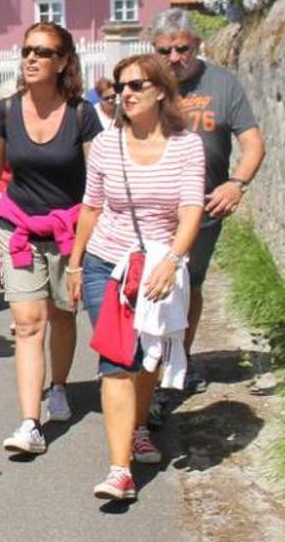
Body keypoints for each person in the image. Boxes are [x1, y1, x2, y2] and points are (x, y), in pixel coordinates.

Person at [67, 54, 205, 500]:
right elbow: (91, 206)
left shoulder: (186, 145)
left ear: (161, 90)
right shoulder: (109, 144)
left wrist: (174, 260)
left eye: (135, 85)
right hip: (106, 263)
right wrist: (75, 262)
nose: (125, 94)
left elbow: (190, 209)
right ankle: (119, 470)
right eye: (119, 88)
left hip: (158, 264)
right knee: (116, 361)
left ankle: (139, 425)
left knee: (146, 358)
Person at [0, 22, 103, 455]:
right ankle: (30, 422)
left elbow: (98, 182)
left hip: (69, 232)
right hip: (19, 229)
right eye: (27, 50)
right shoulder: (6, 111)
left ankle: (60, 385)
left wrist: (89, 246)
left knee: (63, 316)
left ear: (63, 61)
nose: (31, 58)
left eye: (43, 52)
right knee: (29, 324)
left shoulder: (82, 115)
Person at [149, 8, 265, 363]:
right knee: (152, 286)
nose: (175, 58)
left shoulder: (222, 83)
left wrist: (236, 184)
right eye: (165, 51)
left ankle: (178, 363)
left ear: (196, 45)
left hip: (203, 208)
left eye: (183, 49)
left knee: (189, 284)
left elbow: (253, 142)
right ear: (154, 50)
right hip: (154, 205)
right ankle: (150, 367)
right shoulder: (145, 82)